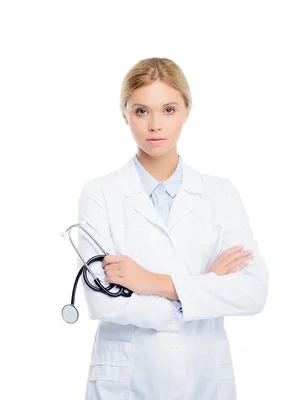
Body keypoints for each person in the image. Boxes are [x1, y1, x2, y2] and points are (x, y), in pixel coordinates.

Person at [77, 57, 269, 400]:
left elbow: (252, 292)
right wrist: (203, 291)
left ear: (187, 111)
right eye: (141, 111)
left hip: (204, 376)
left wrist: (151, 283)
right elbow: (103, 303)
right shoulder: (100, 193)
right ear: (124, 114)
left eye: (168, 109)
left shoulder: (220, 193)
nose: (154, 125)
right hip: (125, 383)